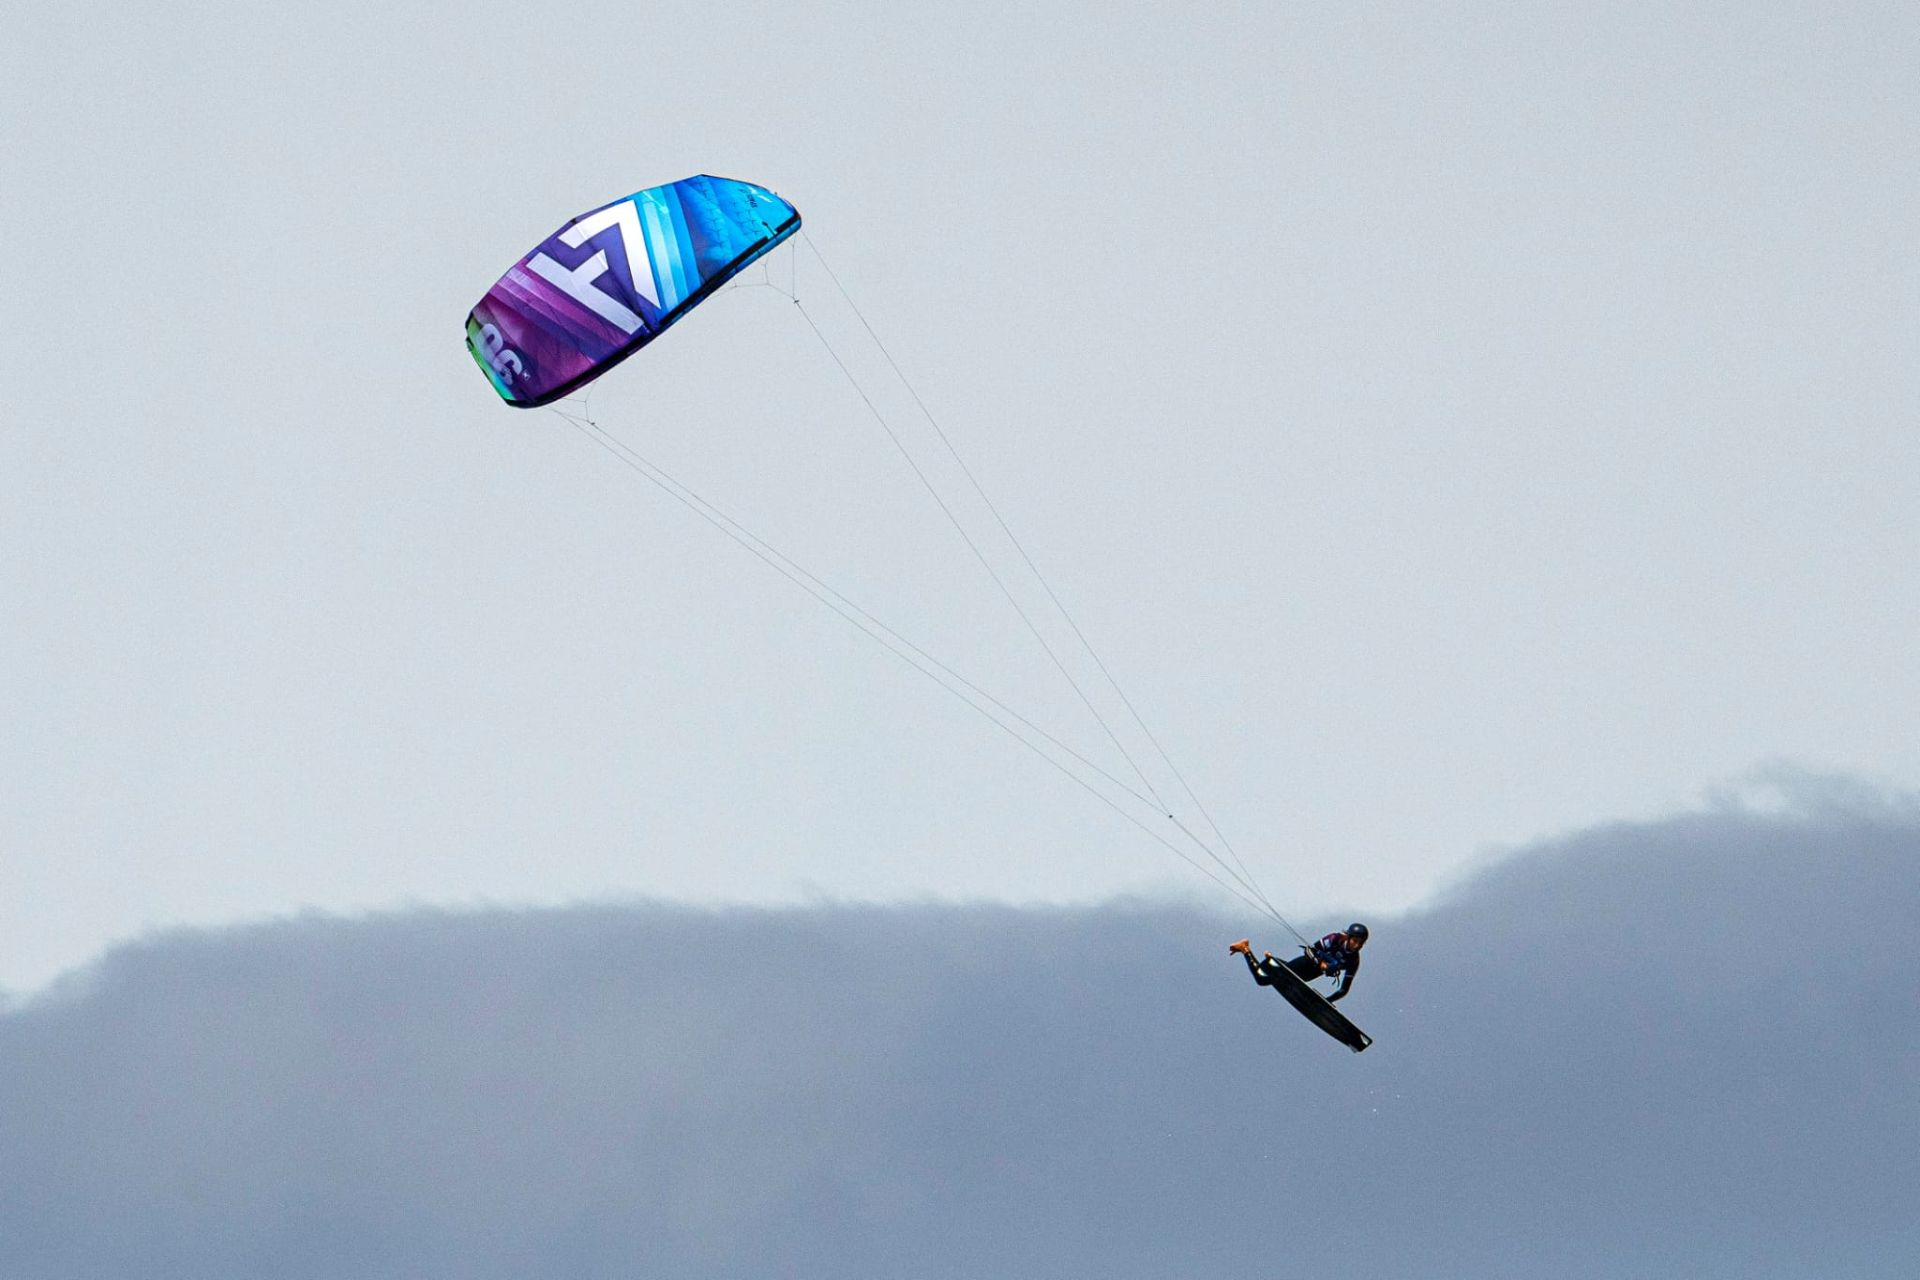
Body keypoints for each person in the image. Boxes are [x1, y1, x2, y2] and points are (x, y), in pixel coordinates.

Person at [1229, 923, 1369, 1004]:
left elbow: (1343, 990)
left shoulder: (1354, 961)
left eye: (1361, 943)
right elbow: (1309, 950)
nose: (1357, 945)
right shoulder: (1334, 939)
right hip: (1305, 963)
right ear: (1349, 937)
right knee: (1262, 979)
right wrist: (1321, 964)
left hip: (1308, 976)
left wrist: (1327, 1001)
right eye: (1355, 941)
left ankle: (1273, 961)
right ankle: (1245, 948)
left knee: (1285, 983)